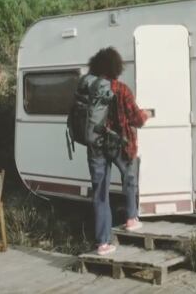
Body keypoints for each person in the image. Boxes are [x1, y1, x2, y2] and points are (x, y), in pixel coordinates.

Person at [86, 47, 149, 256]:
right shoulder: (122, 89)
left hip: (96, 146)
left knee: (100, 192)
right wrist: (146, 114)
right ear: (116, 66)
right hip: (120, 144)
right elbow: (137, 120)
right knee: (129, 178)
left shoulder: (90, 89)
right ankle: (131, 219)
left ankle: (103, 243)